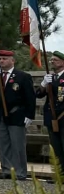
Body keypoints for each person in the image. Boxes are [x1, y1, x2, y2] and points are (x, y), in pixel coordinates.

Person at [0, 49, 36, 180]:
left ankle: (20, 172)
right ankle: (6, 170)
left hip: (16, 115)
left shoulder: (23, 76)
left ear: (13, 61)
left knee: (17, 145)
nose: (1, 61)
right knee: (3, 144)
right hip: (0, 115)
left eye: (5, 59)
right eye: (0, 59)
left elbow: (30, 97)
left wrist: (30, 115)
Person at [35, 50, 64, 181]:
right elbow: (39, 94)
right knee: (56, 147)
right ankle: (59, 175)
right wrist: (43, 84)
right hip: (52, 118)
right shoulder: (50, 77)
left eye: (55, 60)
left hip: (63, 117)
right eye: (51, 60)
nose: (52, 62)